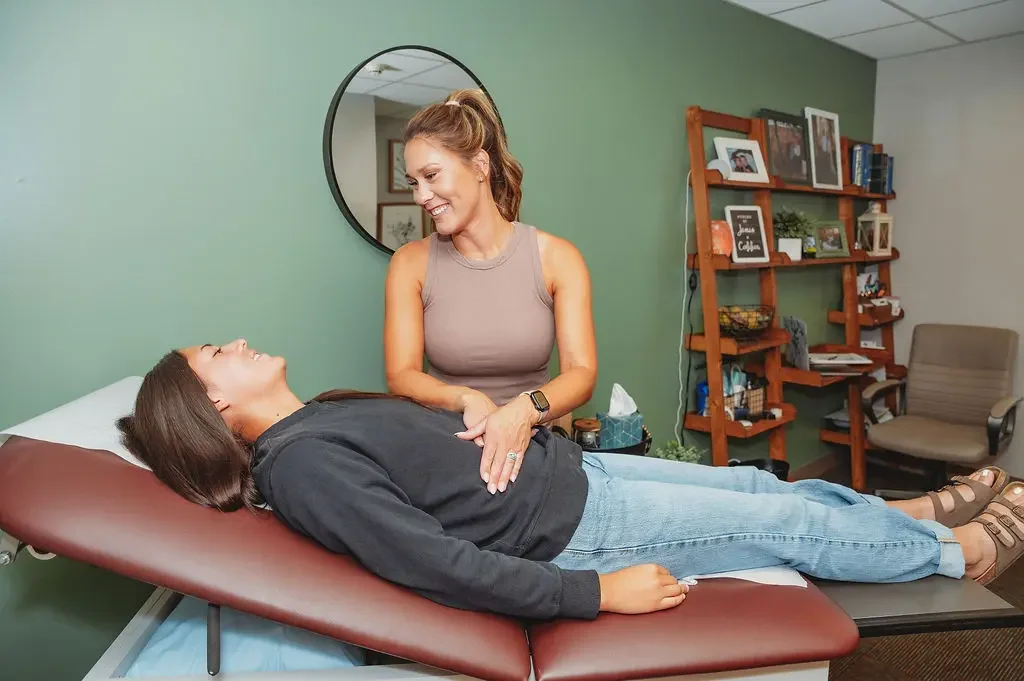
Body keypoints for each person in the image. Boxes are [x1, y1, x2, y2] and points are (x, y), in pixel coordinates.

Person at [117, 338, 1024, 622]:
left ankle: (902, 513)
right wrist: (596, 594)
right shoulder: (302, 463)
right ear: (213, 407)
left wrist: (482, 413)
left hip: (581, 474)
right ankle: (960, 548)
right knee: (790, 528)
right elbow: (429, 561)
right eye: (216, 356)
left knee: (766, 490)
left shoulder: (314, 420)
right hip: (583, 530)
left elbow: (433, 471)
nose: (234, 342)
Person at [383, 88, 597, 496]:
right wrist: (466, 398)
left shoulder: (557, 258)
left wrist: (524, 410)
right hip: (450, 451)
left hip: (539, 450)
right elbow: (401, 375)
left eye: (431, 176)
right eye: (414, 183)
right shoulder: (409, 264)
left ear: (480, 165)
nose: (420, 196)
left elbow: (582, 374)